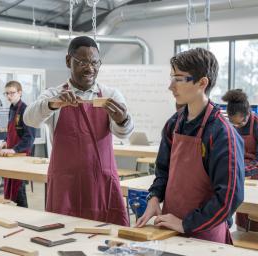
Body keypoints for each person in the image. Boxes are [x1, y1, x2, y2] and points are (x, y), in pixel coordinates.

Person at [135, 48, 244, 244]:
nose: (171, 86)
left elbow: (228, 198)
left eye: (178, 78)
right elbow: (163, 172)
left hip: (204, 236)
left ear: (202, 83)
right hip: (169, 228)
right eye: (172, 77)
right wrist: (154, 198)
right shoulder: (173, 124)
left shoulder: (221, 133)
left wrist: (187, 223)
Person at [23, 36, 133, 226]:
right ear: (68, 61)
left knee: (107, 238)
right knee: (62, 233)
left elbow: (124, 134)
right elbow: (29, 119)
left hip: (102, 182)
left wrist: (122, 119)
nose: (89, 68)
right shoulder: (53, 94)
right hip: (65, 184)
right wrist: (53, 103)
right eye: (82, 62)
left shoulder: (110, 95)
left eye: (94, 62)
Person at [222, 89, 258, 232]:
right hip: (239, 173)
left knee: (254, 214)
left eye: (241, 122)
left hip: (254, 176)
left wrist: (243, 170)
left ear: (248, 113)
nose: (238, 126)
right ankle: (241, 232)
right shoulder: (227, 126)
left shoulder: (256, 125)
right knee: (241, 212)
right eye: (234, 123)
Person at [0, 80, 35, 208]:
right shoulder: (12, 108)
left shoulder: (26, 110)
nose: (9, 96)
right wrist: (5, 141)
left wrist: (14, 150)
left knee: (19, 188)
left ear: (20, 92)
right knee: (12, 190)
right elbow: (12, 131)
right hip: (11, 156)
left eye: (12, 93)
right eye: (6, 93)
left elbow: (29, 138)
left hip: (21, 156)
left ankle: (24, 215)